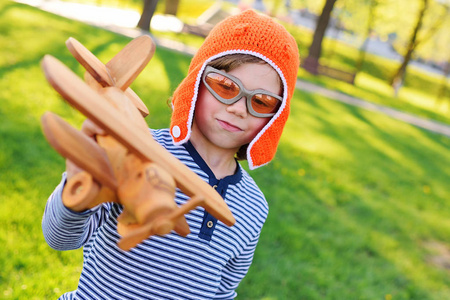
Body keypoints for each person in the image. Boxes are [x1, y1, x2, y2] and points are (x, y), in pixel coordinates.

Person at [42, 9, 299, 299]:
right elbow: (60, 238)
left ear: (275, 117)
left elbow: (223, 292)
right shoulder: (133, 148)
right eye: (225, 87)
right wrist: (78, 186)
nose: (239, 108)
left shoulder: (254, 207)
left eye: (262, 102)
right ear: (197, 82)